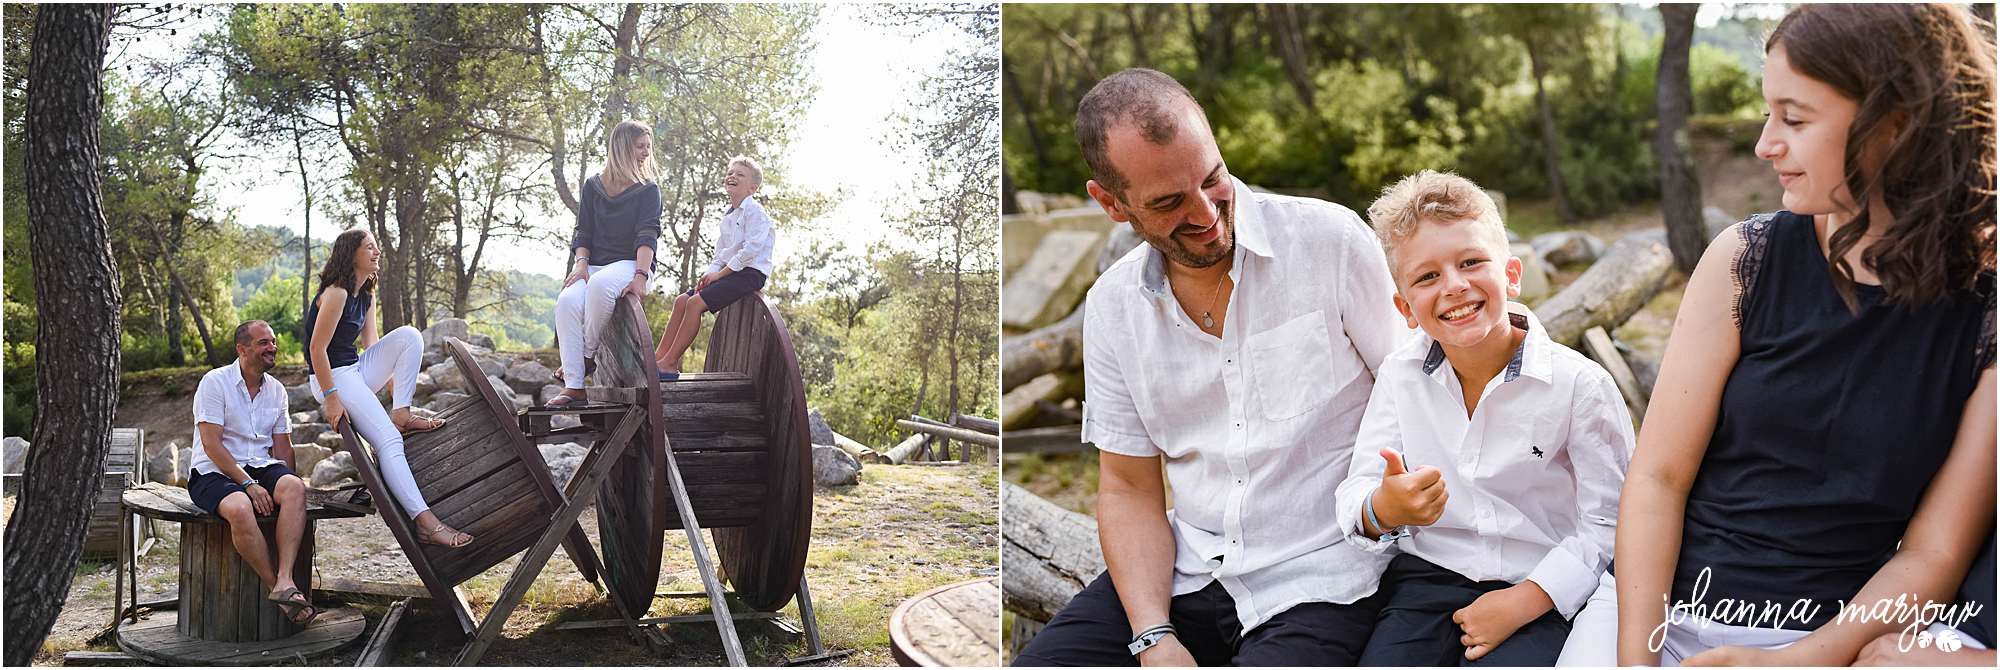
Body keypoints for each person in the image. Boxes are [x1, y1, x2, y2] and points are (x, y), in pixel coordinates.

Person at [1567, 4, 1996, 666]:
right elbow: (1657, 479)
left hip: (1823, 639)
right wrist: (1638, 658)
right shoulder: (1745, 259)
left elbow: (1936, 550)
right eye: (1768, 114)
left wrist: (1795, 660)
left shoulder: (1986, 310)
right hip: (1649, 611)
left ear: (1896, 125)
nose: (1767, 143)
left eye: (1794, 119)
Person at [1011, 68, 1408, 666]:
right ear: (1111, 203)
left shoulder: (1329, 242)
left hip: (1326, 577)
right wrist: (1152, 635)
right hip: (1189, 575)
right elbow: (1126, 487)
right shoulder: (1112, 307)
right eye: (1168, 202)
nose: (1206, 213)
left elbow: (1417, 389)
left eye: (1213, 179)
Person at [1332, 171, 1634, 666]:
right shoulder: (1399, 375)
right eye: (1427, 277)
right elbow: (1358, 488)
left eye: (1471, 262)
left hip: (1542, 585)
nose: (1453, 286)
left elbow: (1612, 522)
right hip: (1427, 583)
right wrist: (1383, 507)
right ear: (1405, 307)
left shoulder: (1580, 386)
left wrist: (1529, 599)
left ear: (1511, 274)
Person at [306, 228, 468, 548]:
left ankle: (402, 413)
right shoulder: (336, 292)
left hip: (354, 370)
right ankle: (426, 523)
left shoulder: (366, 291)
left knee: (410, 335)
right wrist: (331, 399)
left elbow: (372, 345)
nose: (377, 252)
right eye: (369, 247)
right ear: (351, 253)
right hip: (330, 377)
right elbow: (316, 350)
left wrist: (393, 383)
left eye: (376, 247)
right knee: (389, 440)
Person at [188, 320, 317, 624]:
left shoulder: (277, 390)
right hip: (213, 471)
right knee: (241, 508)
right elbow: (211, 445)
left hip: (260, 465)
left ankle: (286, 579)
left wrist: (290, 489)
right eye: (263, 343)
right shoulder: (215, 382)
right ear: (242, 349)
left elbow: (283, 447)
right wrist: (248, 485)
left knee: (294, 488)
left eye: (273, 342)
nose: (272, 348)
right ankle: (276, 587)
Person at [551, 119, 661, 404]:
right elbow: (583, 230)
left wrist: (641, 275)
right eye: (640, 146)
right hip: (595, 265)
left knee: (600, 285)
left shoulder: (649, 190)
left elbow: (647, 234)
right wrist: (581, 264)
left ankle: (587, 356)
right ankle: (574, 387)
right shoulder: (593, 186)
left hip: (631, 264)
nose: (646, 152)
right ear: (623, 148)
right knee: (566, 301)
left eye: (648, 146)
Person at [654, 156, 774, 381]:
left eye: (740, 174)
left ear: (752, 188)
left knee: (695, 303)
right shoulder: (729, 215)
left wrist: (720, 274)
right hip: (730, 270)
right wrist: (710, 274)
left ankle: (670, 364)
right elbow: (721, 254)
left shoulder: (754, 211)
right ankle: (658, 358)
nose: (732, 176)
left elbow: (751, 251)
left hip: (750, 272)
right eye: (730, 172)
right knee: (682, 300)